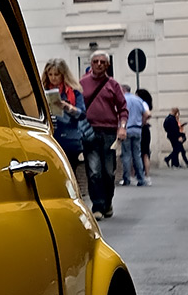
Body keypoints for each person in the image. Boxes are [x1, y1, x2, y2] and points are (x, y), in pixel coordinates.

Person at [81, 53, 128, 216]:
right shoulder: (82, 83)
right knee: (94, 171)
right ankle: (98, 206)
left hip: (108, 132)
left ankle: (108, 202)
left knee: (108, 172)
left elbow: (123, 108)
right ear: (91, 64)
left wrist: (122, 127)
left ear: (108, 65)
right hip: (89, 131)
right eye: (96, 61)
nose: (99, 64)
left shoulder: (113, 85)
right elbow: (79, 106)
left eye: (103, 62)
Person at [42, 58, 87, 192]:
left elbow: (82, 113)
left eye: (57, 75)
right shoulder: (42, 90)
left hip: (69, 137)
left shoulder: (73, 92)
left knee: (69, 172)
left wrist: (67, 107)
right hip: (51, 136)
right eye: (50, 75)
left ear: (63, 75)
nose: (53, 78)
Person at [121, 83, 147, 187]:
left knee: (126, 155)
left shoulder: (122, 99)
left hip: (126, 129)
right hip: (137, 129)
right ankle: (141, 179)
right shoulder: (138, 100)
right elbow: (146, 113)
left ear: (122, 90)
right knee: (137, 154)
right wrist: (142, 123)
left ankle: (127, 179)